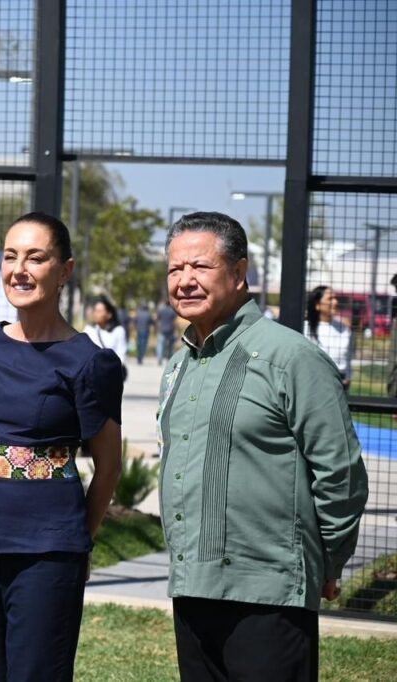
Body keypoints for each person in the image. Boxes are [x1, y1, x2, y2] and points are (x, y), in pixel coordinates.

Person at [158, 211, 368, 682]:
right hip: (192, 587)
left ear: (239, 273)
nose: (185, 280)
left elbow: (340, 472)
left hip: (269, 594)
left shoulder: (291, 357)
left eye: (200, 266)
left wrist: (327, 560)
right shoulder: (177, 366)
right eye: (175, 269)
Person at [0, 212, 122, 681]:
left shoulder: (89, 362)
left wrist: (79, 540)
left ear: (65, 270)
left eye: (35, 257)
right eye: (10, 256)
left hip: (49, 549)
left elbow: (109, 467)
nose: (19, 269)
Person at [304, 285, 353, 389]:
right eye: (330, 299)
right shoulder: (305, 328)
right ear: (317, 304)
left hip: (340, 385)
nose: (335, 302)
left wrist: (348, 378)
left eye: (335, 298)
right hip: (314, 383)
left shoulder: (344, 329)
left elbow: (348, 358)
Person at [84, 294, 128, 378]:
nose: (96, 314)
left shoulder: (118, 331)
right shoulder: (89, 330)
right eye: (95, 310)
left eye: (100, 311)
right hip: (92, 374)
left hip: (111, 374)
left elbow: (121, 353)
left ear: (109, 314)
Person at [156, 298, 178, 363]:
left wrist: (157, 328)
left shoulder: (161, 310)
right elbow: (175, 322)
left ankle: (159, 359)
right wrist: (176, 330)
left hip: (162, 330)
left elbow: (158, 320)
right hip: (171, 330)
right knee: (170, 345)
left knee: (161, 345)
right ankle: (169, 358)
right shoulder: (172, 311)